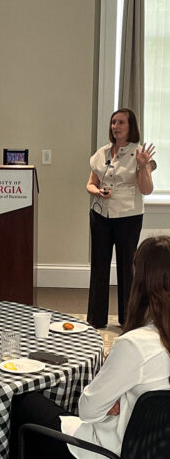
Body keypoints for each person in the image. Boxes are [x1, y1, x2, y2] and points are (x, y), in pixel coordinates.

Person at [9, 235, 170, 459]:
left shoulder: (135, 345)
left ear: (141, 282)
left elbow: (87, 410)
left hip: (105, 450)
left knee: (23, 401)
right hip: (153, 450)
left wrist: (111, 396)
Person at [86, 108, 155, 328]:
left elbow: (146, 190)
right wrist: (98, 192)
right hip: (100, 215)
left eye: (121, 123)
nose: (116, 126)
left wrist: (143, 166)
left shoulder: (140, 153)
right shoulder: (102, 153)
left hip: (128, 217)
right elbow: (90, 183)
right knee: (99, 265)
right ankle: (96, 319)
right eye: (113, 122)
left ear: (130, 126)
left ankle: (129, 320)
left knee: (127, 267)